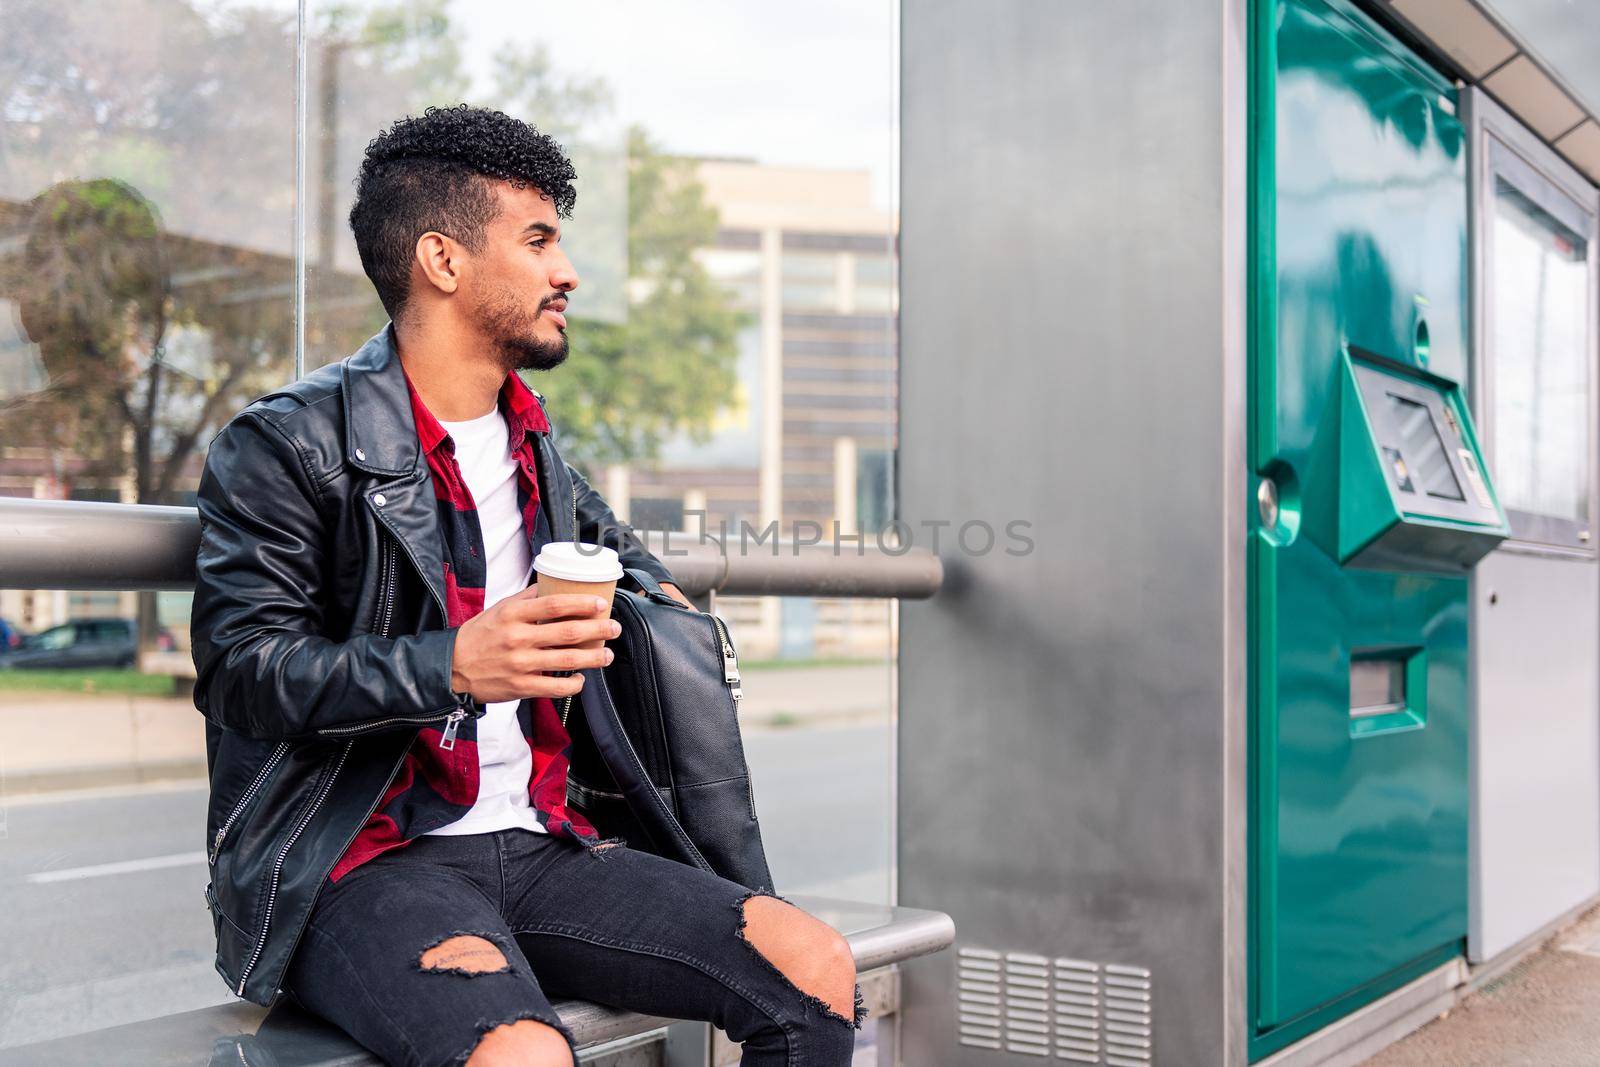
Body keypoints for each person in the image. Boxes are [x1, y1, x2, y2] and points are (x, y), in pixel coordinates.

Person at [191, 104, 861, 1067]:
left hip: (548, 841)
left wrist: (652, 597)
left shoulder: (533, 445)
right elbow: (245, 673)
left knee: (812, 963)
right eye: (539, 240)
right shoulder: (286, 444)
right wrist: (452, 663)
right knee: (522, 1056)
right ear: (443, 260)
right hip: (360, 861)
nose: (568, 272)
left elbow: (624, 557)